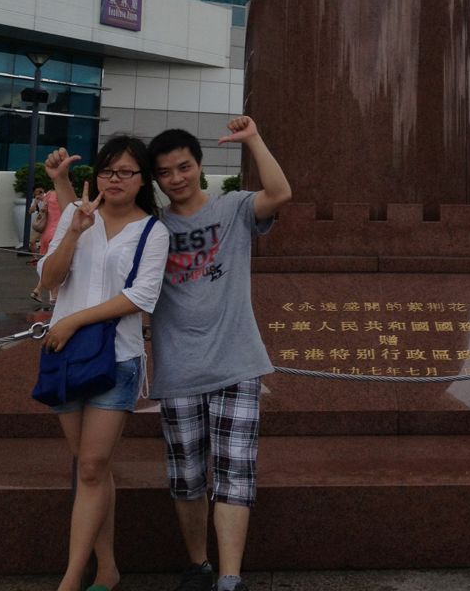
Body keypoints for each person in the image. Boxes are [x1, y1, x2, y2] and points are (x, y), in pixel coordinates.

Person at [147, 116, 292, 591]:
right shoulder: (152, 229)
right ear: (157, 179)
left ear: (199, 165)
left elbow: (280, 193)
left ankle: (230, 577)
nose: (177, 178)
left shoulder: (234, 209)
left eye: (184, 166)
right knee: (187, 476)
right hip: (178, 369)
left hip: (237, 363)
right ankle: (198, 564)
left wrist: (254, 138)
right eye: (166, 172)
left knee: (234, 473)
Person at [39, 136, 169, 591]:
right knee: (91, 467)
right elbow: (48, 281)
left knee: (92, 466)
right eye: (108, 171)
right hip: (67, 357)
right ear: (96, 175)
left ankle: (72, 578)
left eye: (126, 172)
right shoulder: (79, 217)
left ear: (142, 179)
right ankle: (108, 569)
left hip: (118, 358)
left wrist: (73, 320)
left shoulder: (153, 230)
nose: (115, 180)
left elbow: (140, 296)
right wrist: (74, 229)